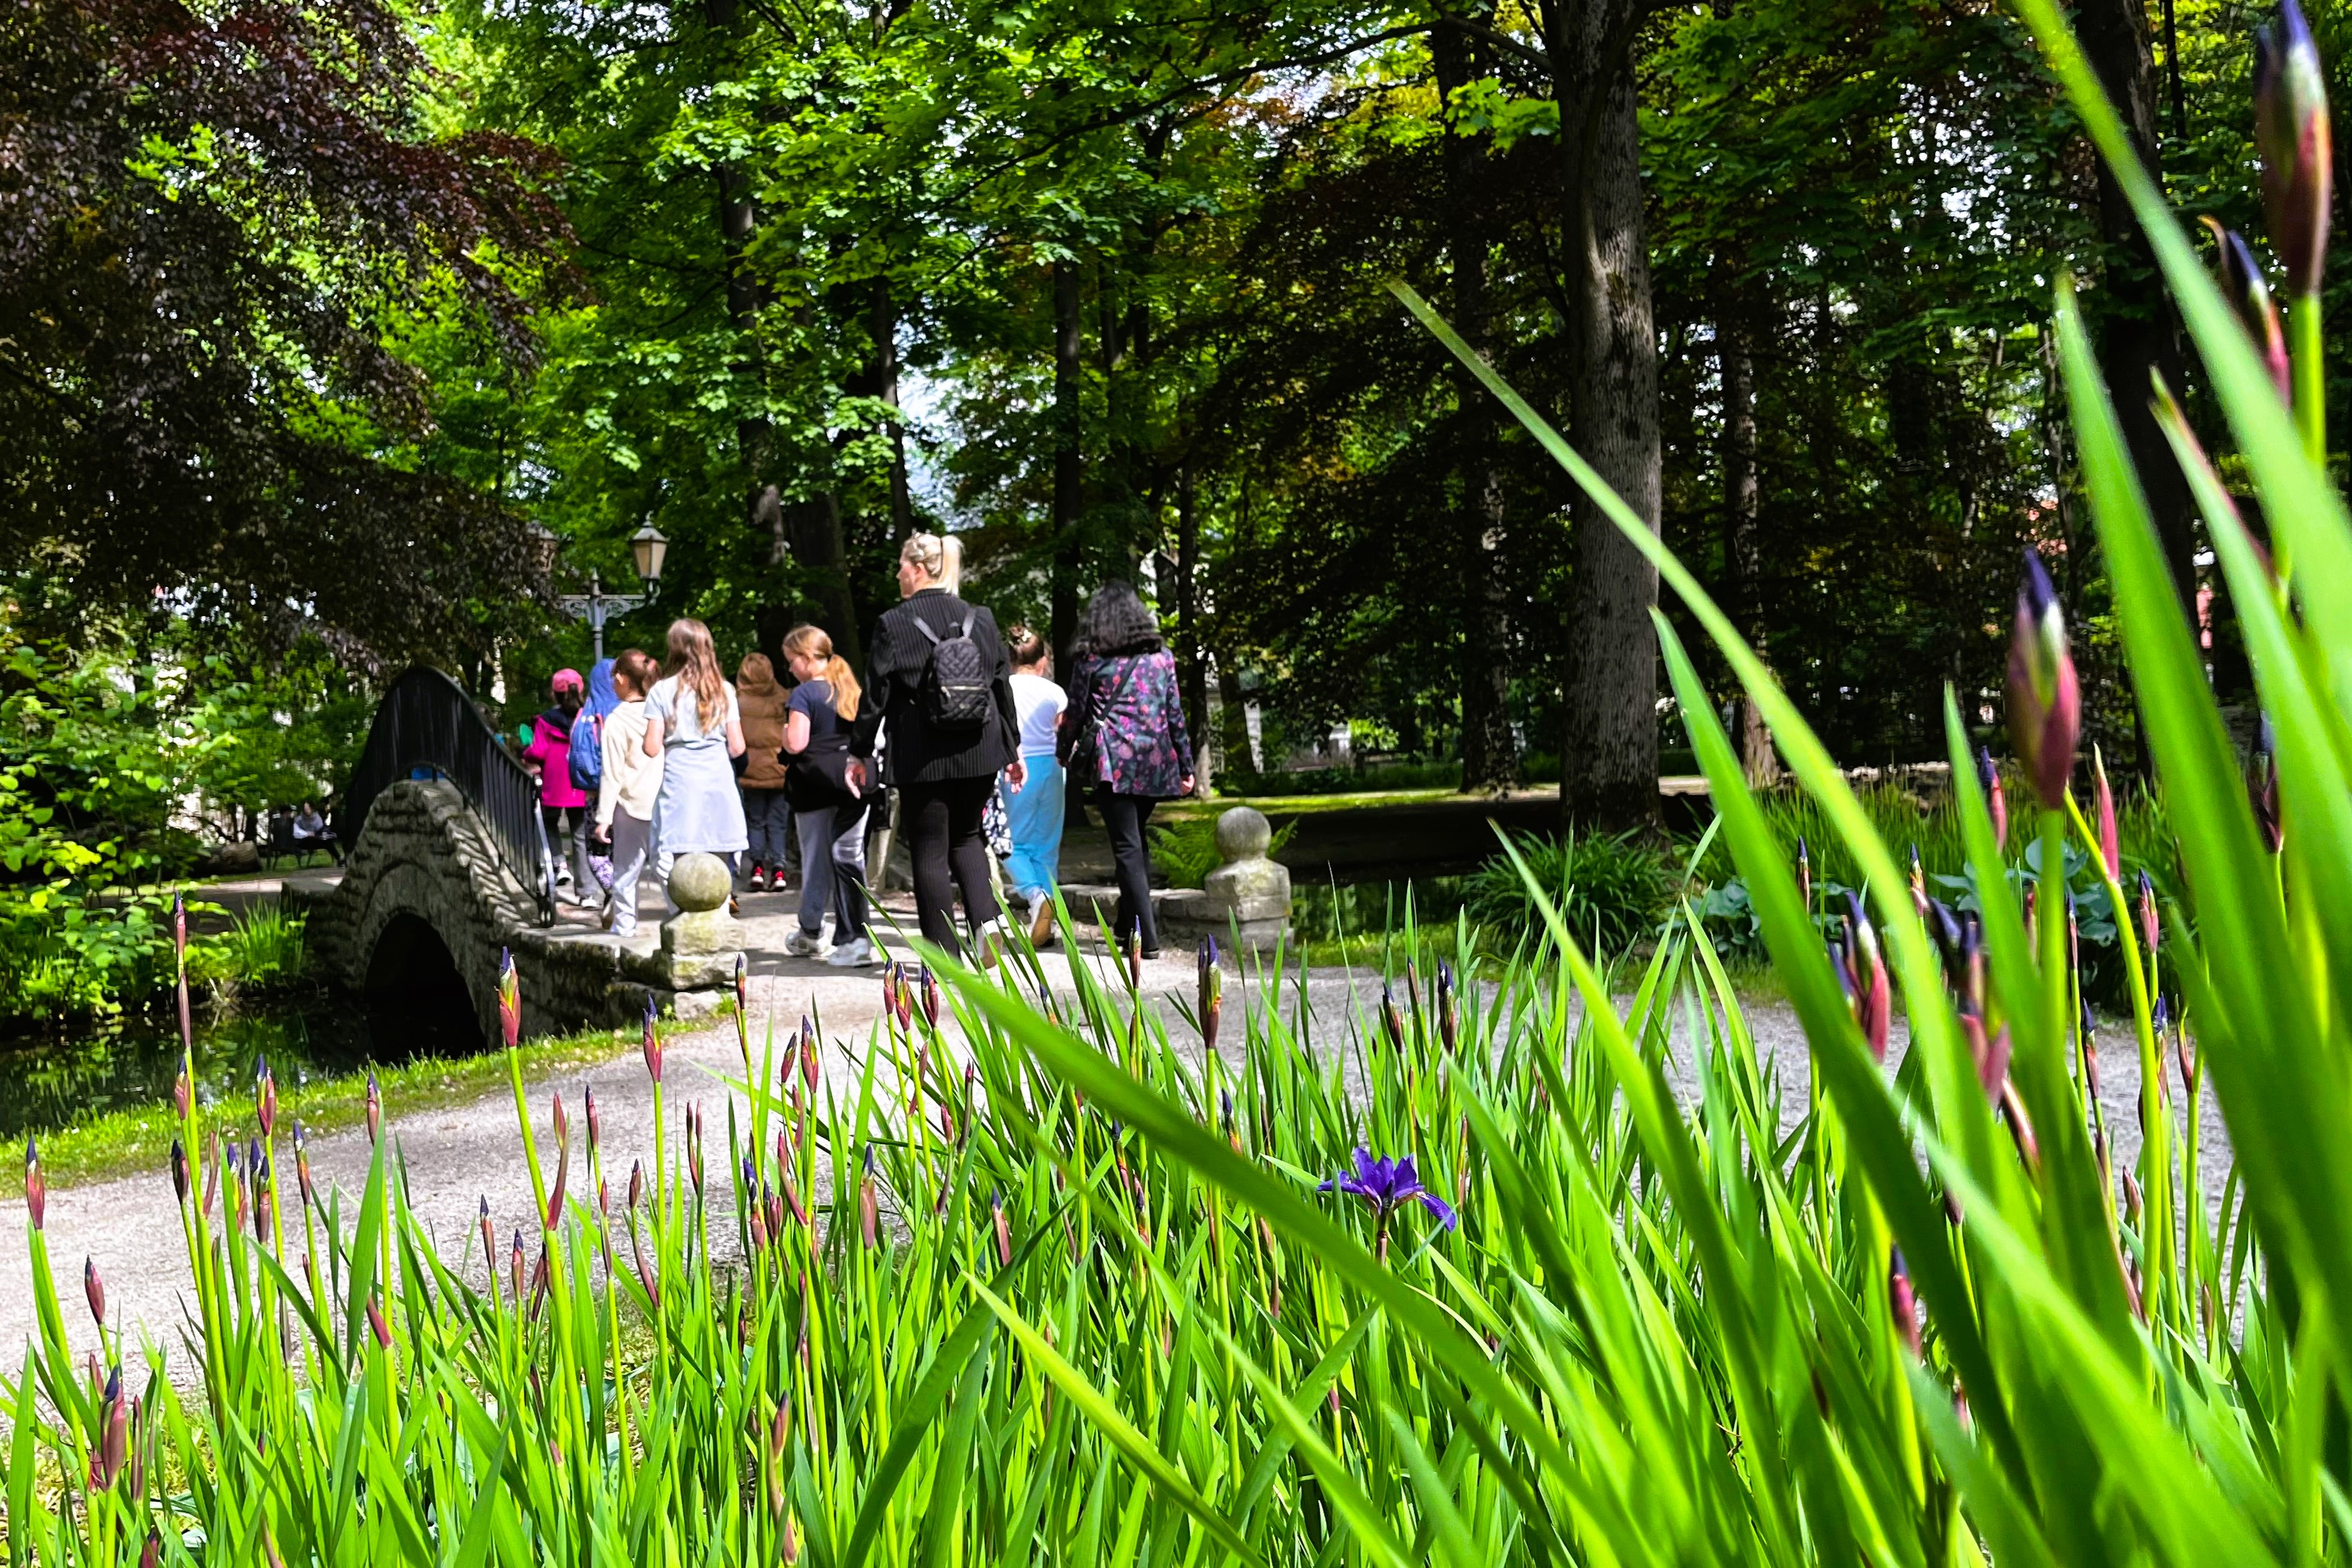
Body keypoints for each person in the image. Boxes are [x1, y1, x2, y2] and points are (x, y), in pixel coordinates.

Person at [852, 532, 1024, 955]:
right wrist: (1013, 748)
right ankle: (986, 924)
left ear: (917, 569)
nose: (897, 575)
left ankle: (944, 956)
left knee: (929, 849)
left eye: (900, 568)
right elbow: (1001, 686)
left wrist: (859, 751)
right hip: (980, 747)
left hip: (920, 752)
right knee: (968, 836)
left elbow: (875, 696)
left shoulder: (893, 623)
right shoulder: (981, 618)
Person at [1061, 582, 1193, 958]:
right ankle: (1127, 924)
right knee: (1135, 844)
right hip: (1155, 763)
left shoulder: (1091, 660)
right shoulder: (1162, 658)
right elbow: (1174, 714)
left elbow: (1075, 712)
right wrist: (1186, 766)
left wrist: (1063, 752)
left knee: (1128, 847)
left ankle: (1148, 942)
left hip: (1113, 765)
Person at [779, 625, 875, 966]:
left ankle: (811, 929)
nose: (790, 668)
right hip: (855, 782)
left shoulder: (804, 695)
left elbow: (798, 743)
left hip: (814, 785)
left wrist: (784, 733)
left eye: (792, 660)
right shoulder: (851, 688)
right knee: (850, 855)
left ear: (807, 658)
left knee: (816, 858)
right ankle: (858, 934)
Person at [643, 619, 748, 894]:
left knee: (679, 855)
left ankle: (683, 909)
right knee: (718, 853)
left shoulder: (661, 690)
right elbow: (737, 746)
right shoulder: (724, 690)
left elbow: (651, 747)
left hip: (680, 778)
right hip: (717, 775)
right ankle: (720, 908)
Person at [999, 624, 1067, 946]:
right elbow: (1060, 730)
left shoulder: (1004, 687)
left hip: (1017, 768)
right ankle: (1048, 918)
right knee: (1046, 845)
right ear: (1042, 661)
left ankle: (1034, 894)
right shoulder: (1055, 692)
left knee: (1010, 841)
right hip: (1053, 768)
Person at [595, 650, 660, 935]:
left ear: (621, 679)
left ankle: (624, 926)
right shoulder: (662, 715)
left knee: (625, 871)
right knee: (666, 868)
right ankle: (681, 920)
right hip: (663, 803)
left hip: (631, 805)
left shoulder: (618, 720)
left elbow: (612, 773)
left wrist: (603, 818)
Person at [524, 669, 595, 900]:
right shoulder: (588, 716)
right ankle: (586, 893)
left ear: (554, 693)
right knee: (581, 836)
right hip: (580, 781)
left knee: (549, 822)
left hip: (555, 782)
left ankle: (560, 864)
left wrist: (525, 753)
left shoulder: (546, 720)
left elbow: (538, 751)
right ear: (580, 689)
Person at [736, 653, 792, 891]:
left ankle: (757, 868)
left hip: (751, 770)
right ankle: (779, 870)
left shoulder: (737, 701)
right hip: (780, 769)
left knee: (755, 821)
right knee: (778, 822)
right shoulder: (784, 698)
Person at [575, 657, 621, 904]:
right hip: (625, 795)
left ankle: (615, 892)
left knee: (597, 853)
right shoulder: (626, 711)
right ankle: (623, 895)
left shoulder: (585, 713)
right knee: (625, 853)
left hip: (594, 795)